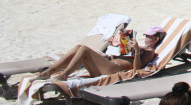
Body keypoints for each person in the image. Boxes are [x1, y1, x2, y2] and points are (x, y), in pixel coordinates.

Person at [36, 26, 166, 81]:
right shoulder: (140, 47)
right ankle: (49, 72)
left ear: (156, 39)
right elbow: (117, 56)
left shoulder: (149, 52)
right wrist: (113, 44)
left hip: (113, 70)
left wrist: (137, 51)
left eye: (149, 36)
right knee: (78, 47)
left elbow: (136, 69)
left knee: (84, 50)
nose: (146, 38)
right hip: (107, 66)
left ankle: (64, 75)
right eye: (146, 35)